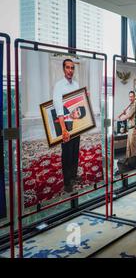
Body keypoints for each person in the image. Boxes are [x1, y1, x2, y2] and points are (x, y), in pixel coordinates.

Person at [53, 59, 81, 193]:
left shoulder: (76, 84)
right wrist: (63, 129)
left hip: (76, 123)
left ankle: (74, 175)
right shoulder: (59, 85)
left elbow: (77, 103)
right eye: (68, 68)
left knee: (75, 150)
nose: (70, 70)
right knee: (67, 153)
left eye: (72, 68)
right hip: (66, 123)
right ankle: (67, 181)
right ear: (64, 69)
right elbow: (58, 108)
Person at [118, 91, 136, 169]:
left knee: (132, 147)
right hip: (130, 129)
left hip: (133, 129)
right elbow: (129, 115)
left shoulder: (135, 105)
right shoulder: (131, 105)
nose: (130, 98)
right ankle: (128, 162)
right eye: (129, 96)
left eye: (132, 96)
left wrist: (120, 117)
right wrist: (124, 112)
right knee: (128, 147)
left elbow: (129, 115)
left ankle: (133, 164)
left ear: (134, 96)